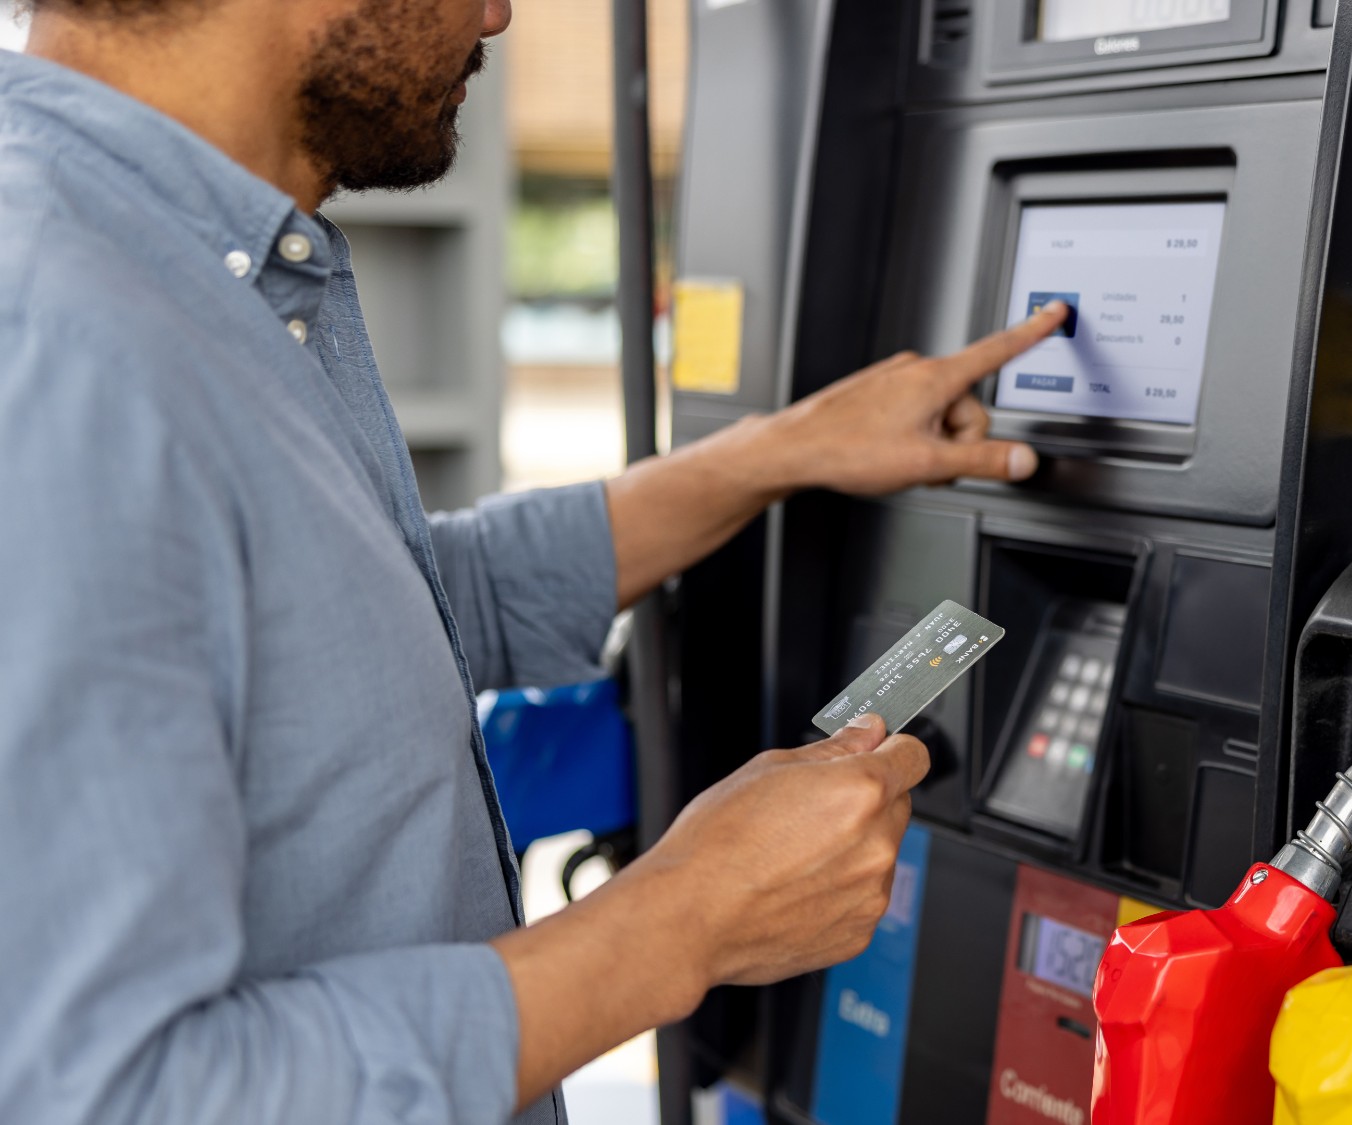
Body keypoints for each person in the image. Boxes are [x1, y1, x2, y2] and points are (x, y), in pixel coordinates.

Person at [0, 0, 1069, 1120]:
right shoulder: (60, 342)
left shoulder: (182, 273)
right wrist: (683, 920)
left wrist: (779, 451)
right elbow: (107, 1096)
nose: (501, 12)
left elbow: (370, 620)